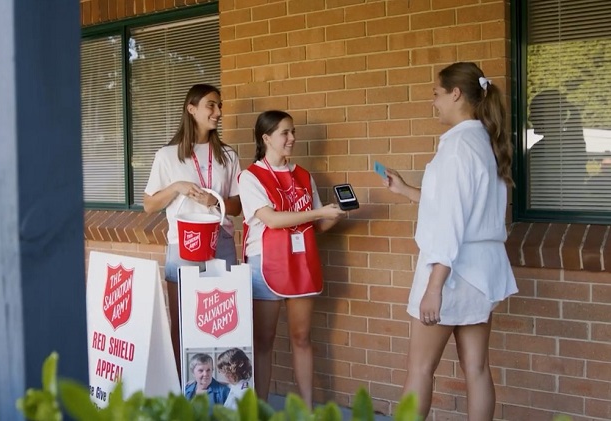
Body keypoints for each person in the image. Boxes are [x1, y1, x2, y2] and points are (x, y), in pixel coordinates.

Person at [379, 62, 518, 420]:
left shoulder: (456, 148)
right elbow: (459, 207)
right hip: (482, 273)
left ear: (455, 94)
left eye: (437, 94)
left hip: (451, 271)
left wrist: (434, 285)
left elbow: (450, 222)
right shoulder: (485, 143)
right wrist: (407, 190)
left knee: (420, 370)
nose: (434, 102)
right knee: (478, 369)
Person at [238, 110, 346, 408]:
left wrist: (335, 215)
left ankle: (308, 410)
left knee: (302, 337)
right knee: (263, 341)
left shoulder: (303, 175)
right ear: (266, 138)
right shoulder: (250, 177)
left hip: (300, 262)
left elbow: (319, 226)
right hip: (265, 265)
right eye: (285, 132)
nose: (292, 138)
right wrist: (318, 213)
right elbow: (271, 220)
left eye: (293, 132)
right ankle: (258, 409)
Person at [143, 84, 242, 379]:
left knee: (223, 321)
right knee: (182, 321)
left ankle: (222, 391)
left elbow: (238, 206)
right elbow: (149, 205)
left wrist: (217, 201)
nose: (218, 112)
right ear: (192, 109)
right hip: (183, 244)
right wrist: (174, 188)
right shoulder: (167, 156)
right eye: (211, 105)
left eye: (219, 106)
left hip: (221, 242)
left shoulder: (227, 155)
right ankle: (182, 390)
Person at [528, 89, 588, 208]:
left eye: (534, 112)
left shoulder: (567, 146)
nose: (530, 118)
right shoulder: (539, 148)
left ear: (549, 116)